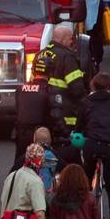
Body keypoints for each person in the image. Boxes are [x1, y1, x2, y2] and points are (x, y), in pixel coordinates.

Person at [78, 72, 110, 219]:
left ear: (93, 85)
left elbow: (80, 124)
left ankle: (81, 215)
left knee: (84, 183)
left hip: (91, 145)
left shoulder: (86, 102)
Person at [40, 25, 87, 167]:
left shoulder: (41, 55)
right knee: (67, 151)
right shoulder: (67, 57)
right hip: (66, 112)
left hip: (44, 110)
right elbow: (77, 88)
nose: (72, 42)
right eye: (70, 39)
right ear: (64, 39)